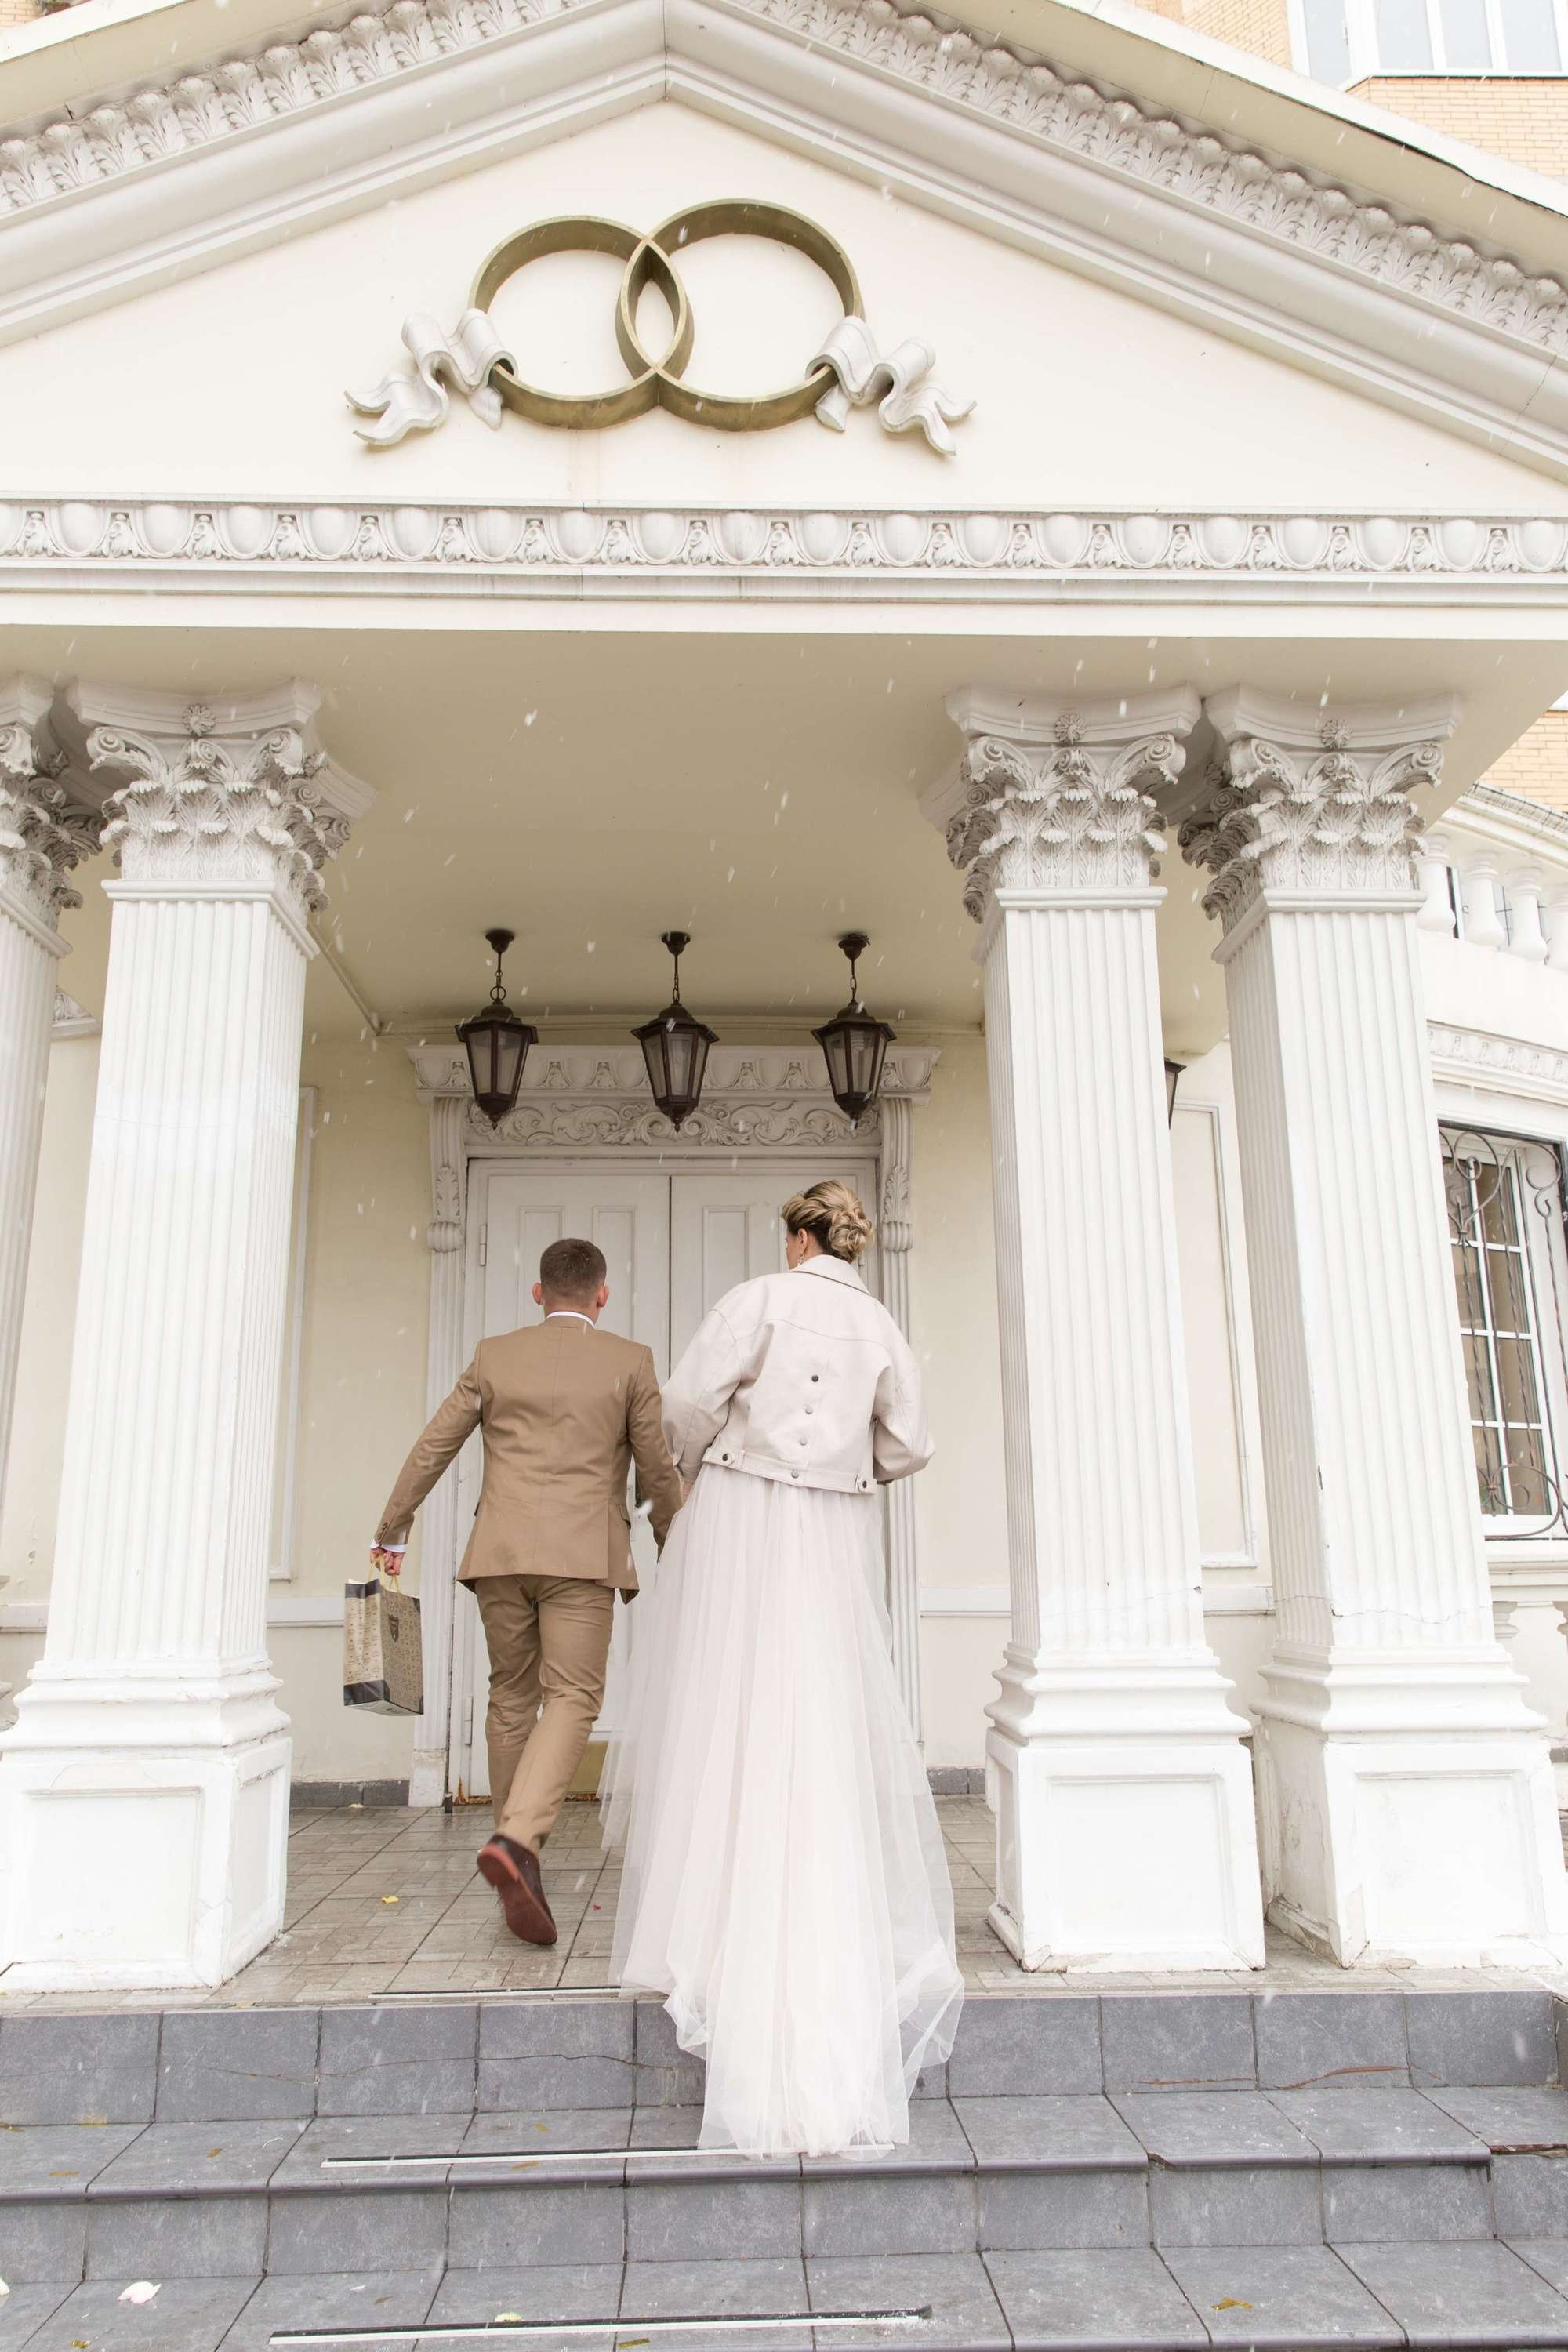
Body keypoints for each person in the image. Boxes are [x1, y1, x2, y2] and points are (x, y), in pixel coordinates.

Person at [601, 1178, 963, 2158]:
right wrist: (850, 1464)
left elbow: (681, 1405)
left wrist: (690, 1462)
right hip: (832, 1520)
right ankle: (813, 1907)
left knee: (728, 1701)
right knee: (816, 1706)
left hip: (744, 1508)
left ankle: (703, 1924)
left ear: (802, 1236)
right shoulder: (882, 1326)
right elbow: (912, 1444)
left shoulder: (757, 1299)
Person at [370, 1236, 683, 1946]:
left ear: (539, 1294)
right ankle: (518, 1841)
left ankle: (517, 1854)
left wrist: (393, 1528)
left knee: (511, 1693)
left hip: (500, 1555)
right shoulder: (628, 1361)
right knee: (572, 1696)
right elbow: (658, 1471)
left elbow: (434, 1444)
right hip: (581, 1558)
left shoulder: (495, 1355)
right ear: (602, 1295)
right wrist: (674, 1540)